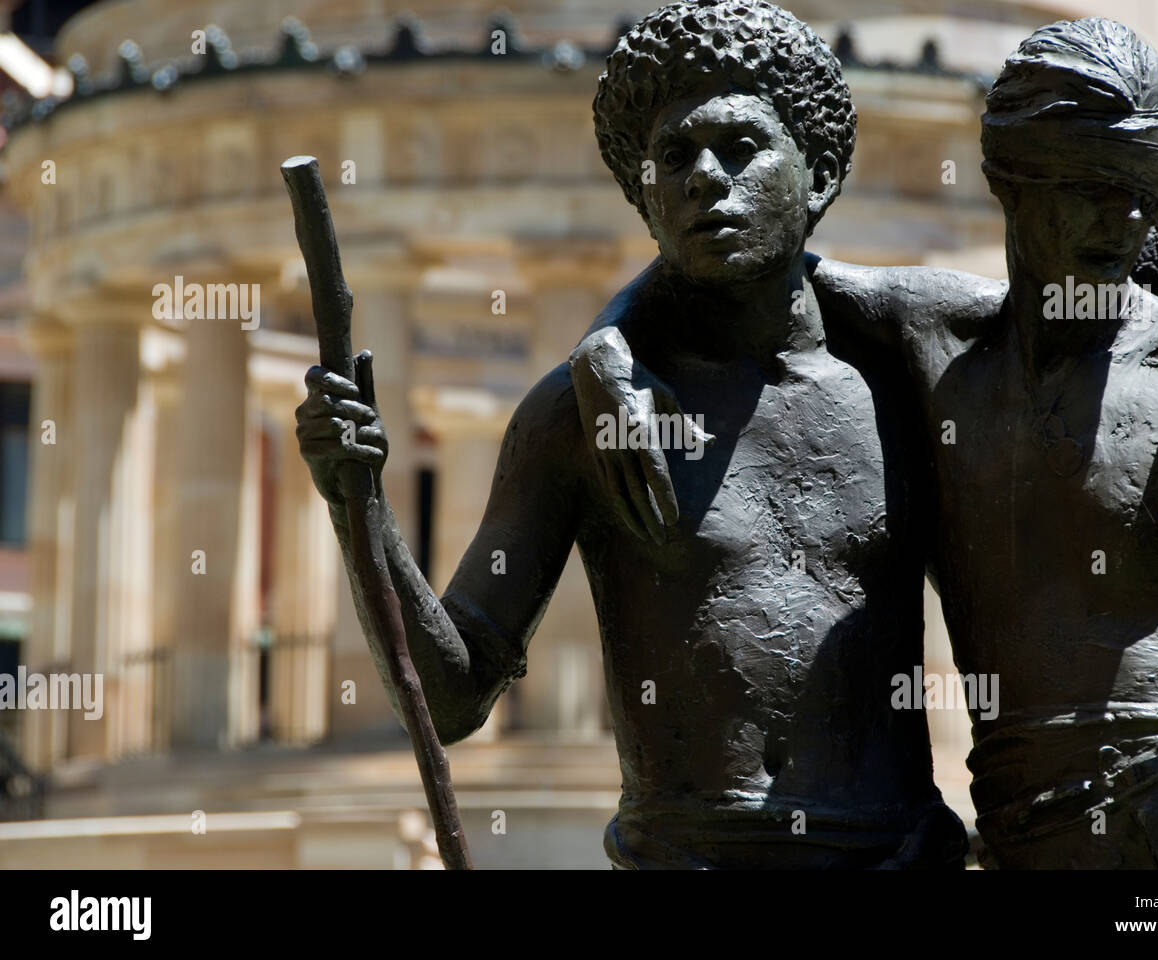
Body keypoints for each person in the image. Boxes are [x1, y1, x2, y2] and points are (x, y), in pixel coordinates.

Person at [572, 16, 1158, 867]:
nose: (1129, 218)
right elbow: (736, 258)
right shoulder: (935, 339)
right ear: (1009, 183)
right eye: (1090, 188)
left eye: (1144, 187)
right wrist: (604, 354)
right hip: (1032, 835)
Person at [296, 0, 966, 869]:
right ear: (641, 197)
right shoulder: (572, 419)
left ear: (823, 171)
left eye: (741, 147)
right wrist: (362, 507)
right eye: (673, 156)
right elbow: (454, 693)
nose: (703, 179)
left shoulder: (907, 381)